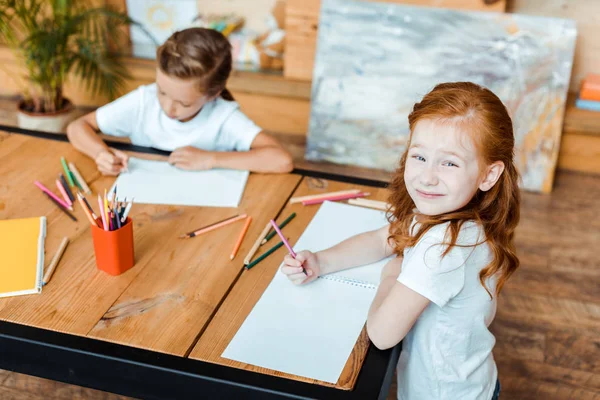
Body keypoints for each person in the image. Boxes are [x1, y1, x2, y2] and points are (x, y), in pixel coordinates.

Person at [282, 82, 520, 400]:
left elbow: (381, 335)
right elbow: (384, 239)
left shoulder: (442, 249)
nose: (427, 176)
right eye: (419, 156)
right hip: (474, 383)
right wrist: (322, 260)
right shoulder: (459, 214)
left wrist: (392, 276)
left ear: (489, 175)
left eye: (449, 163)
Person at [67, 28, 293, 175]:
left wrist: (211, 159)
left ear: (212, 94)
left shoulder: (223, 116)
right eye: (162, 92)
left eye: (184, 104)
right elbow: (77, 127)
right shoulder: (144, 101)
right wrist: (101, 154)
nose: (168, 107)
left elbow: (282, 160)